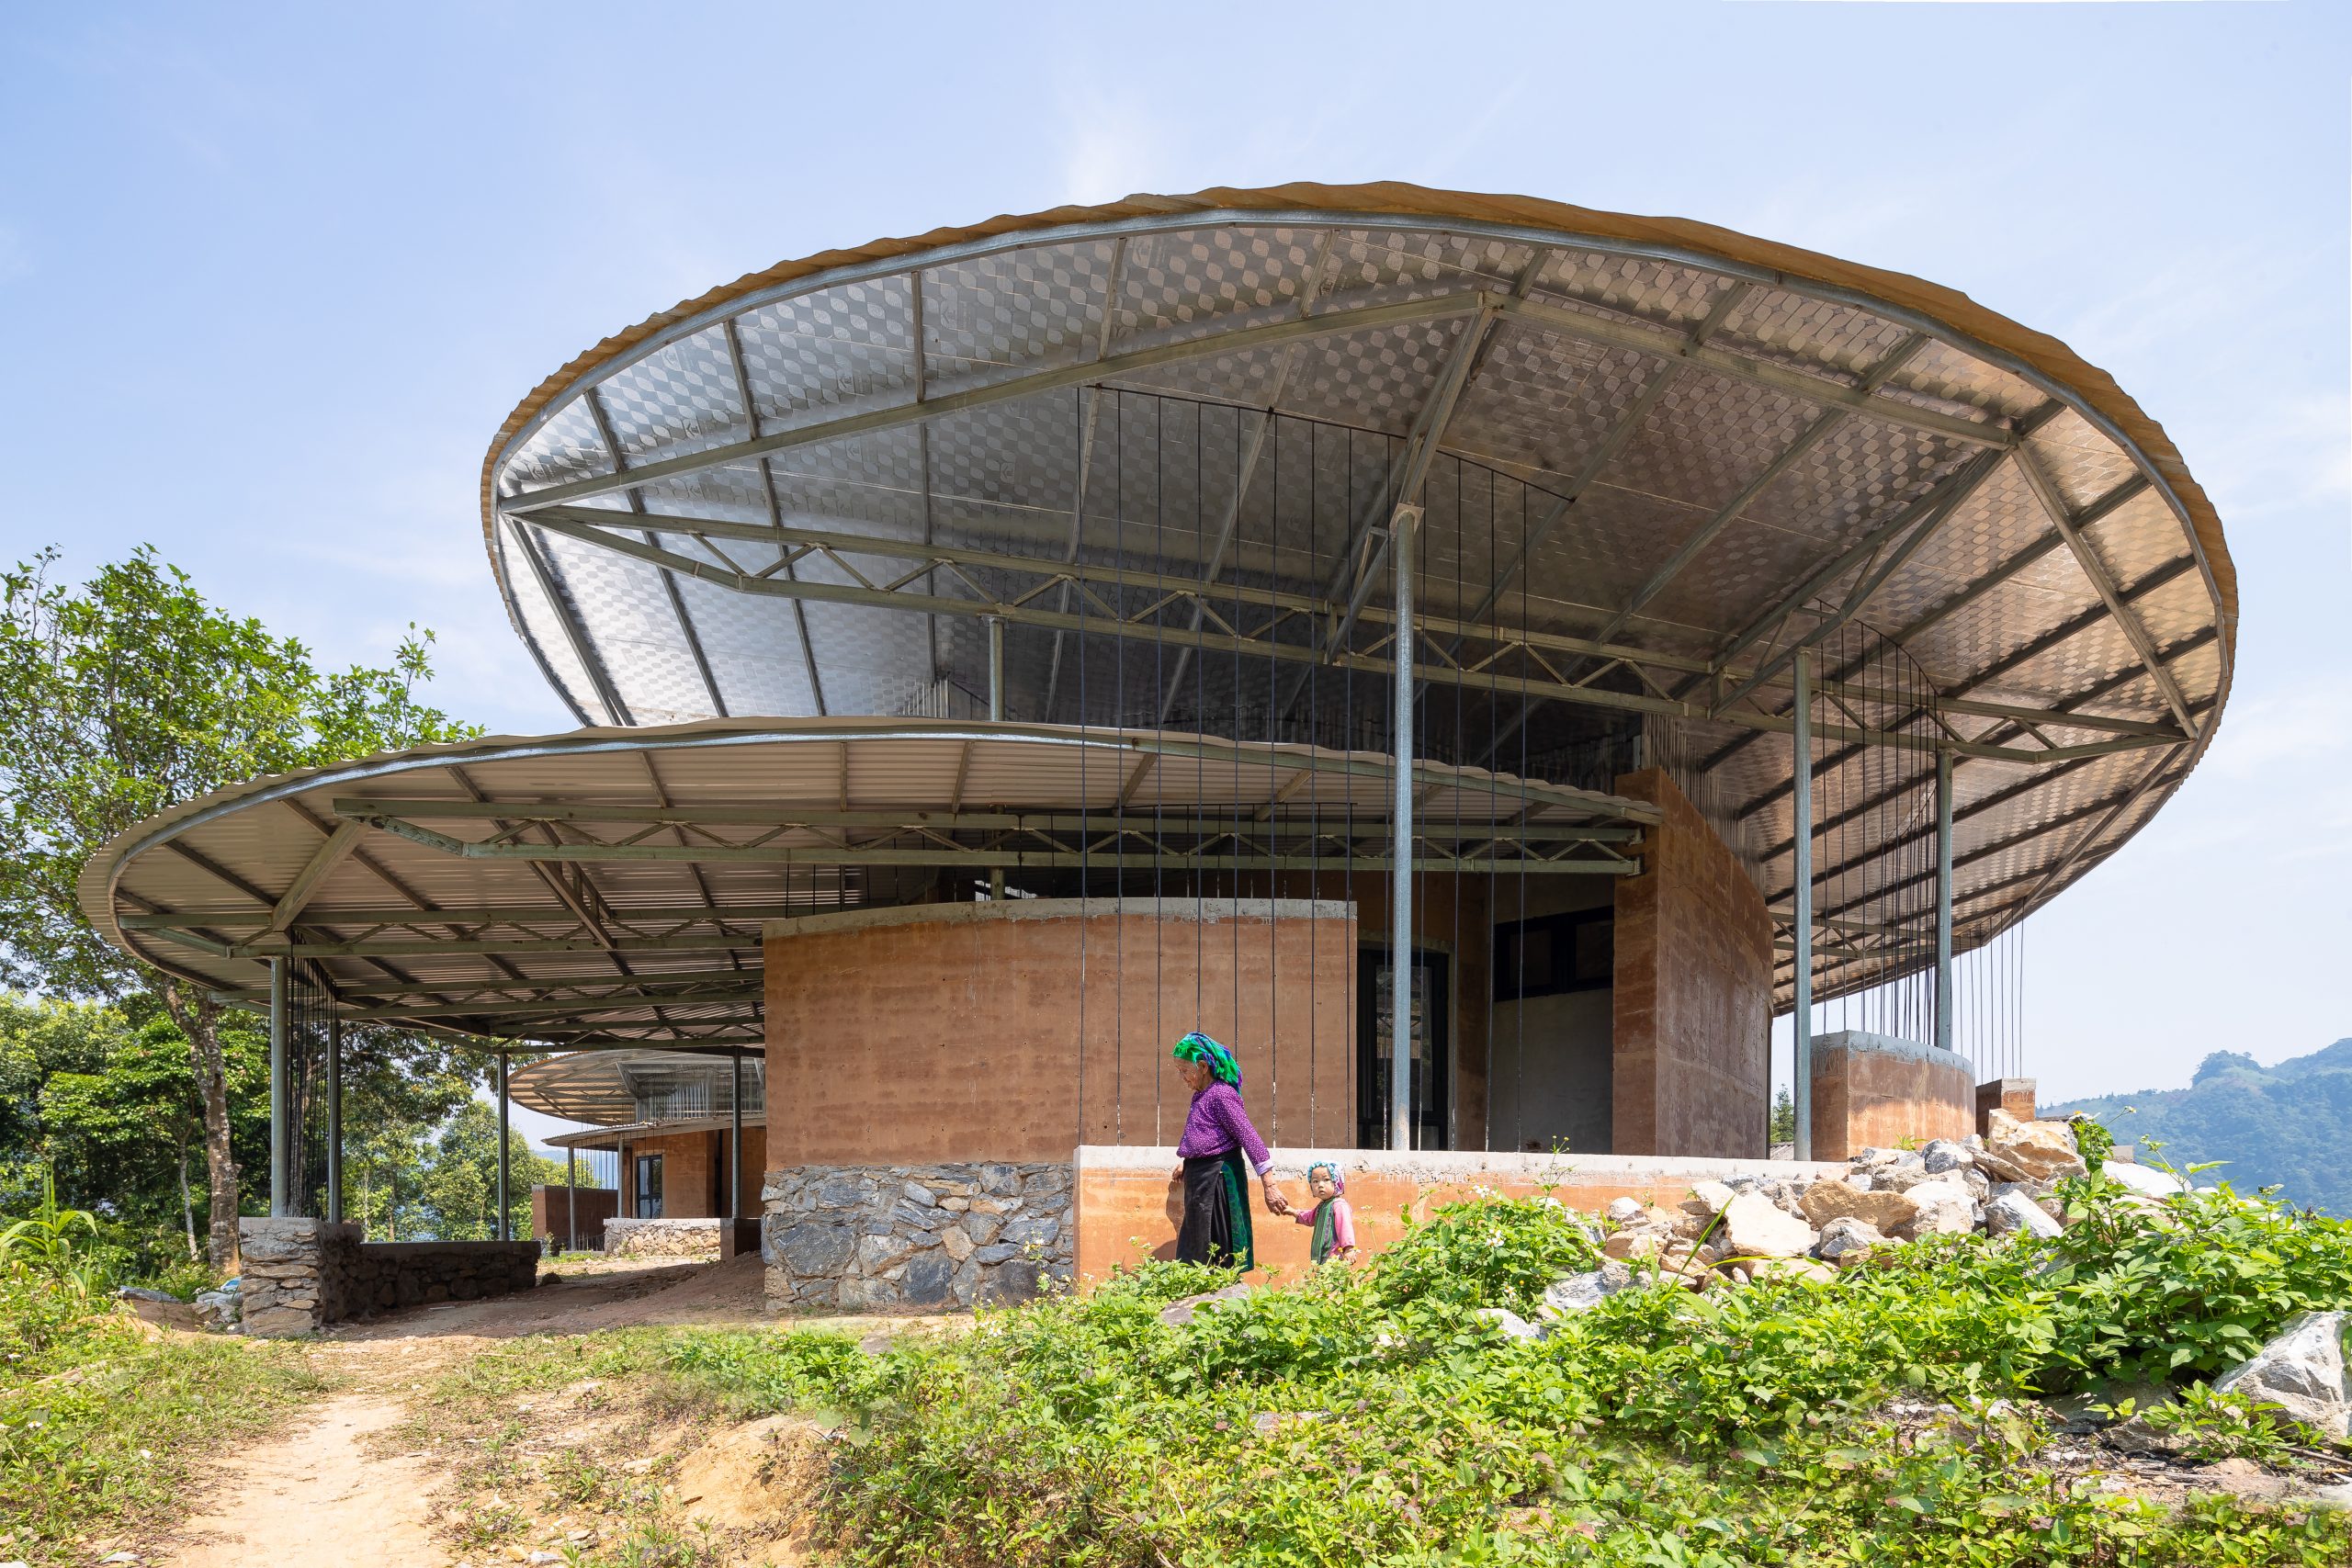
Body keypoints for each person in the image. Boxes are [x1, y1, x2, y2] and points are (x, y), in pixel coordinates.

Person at [1169, 1031, 1292, 1269]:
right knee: (1197, 1245)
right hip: (1200, 1176)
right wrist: (1187, 1159)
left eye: (1185, 1070)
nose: (1182, 1077)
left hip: (1218, 1179)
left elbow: (1249, 1136)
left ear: (1203, 1066)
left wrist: (1270, 1185)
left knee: (1217, 1247)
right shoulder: (1201, 1096)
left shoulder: (1221, 1095)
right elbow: (1206, 1134)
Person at [1290, 1160, 1357, 1264]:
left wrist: (1348, 1249)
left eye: (1326, 1180)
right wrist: (1293, 1212)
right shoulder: (1322, 1206)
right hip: (1321, 1258)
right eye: (1315, 1181)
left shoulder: (1339, 1205)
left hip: (1334, 1259)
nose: (1320, 1185)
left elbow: (1345, 1228)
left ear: (1336, 1182)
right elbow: (1310, 1218)